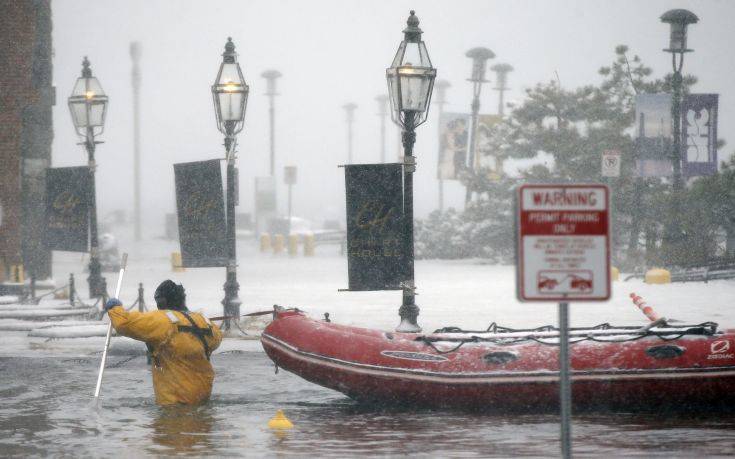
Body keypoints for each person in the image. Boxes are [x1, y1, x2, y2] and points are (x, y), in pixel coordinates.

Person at [104, 280, 222, 405]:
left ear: (162, 301)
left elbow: (125, 323)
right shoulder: (203, 321)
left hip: (174, 403)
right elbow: (217, 339)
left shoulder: (163, 321)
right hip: (201, 398)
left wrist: (114, 309)